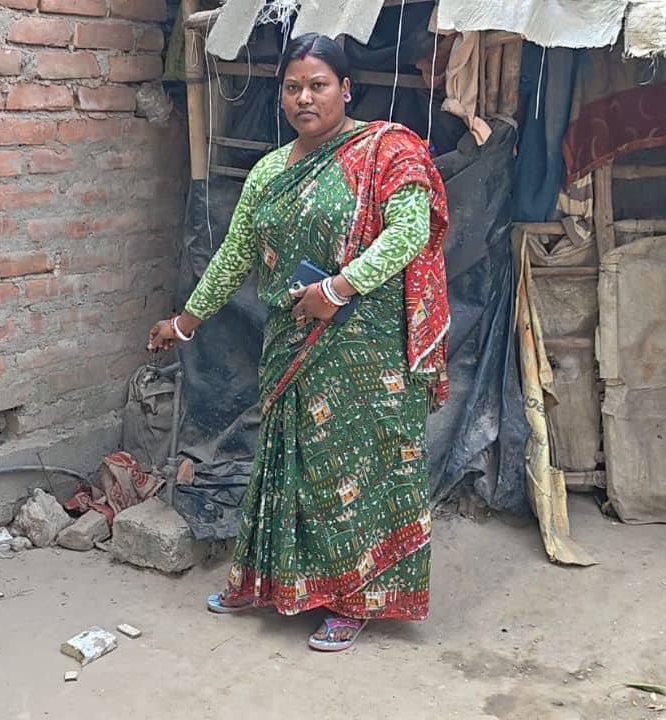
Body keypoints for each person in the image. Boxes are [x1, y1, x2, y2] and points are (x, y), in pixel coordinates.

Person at [147, 32, 450, 652]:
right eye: (292, 87)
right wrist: (185, 322)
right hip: (292, 342)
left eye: (318, 85)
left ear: (346, 89)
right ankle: (270, 582)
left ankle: (353, 601)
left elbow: (409, 232)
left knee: (355, 473)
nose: (304, 98)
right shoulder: (269, 171)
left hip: (367, 351)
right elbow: (235, 256)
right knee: (288, 463)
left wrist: (339, 287)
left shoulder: (387, 150)